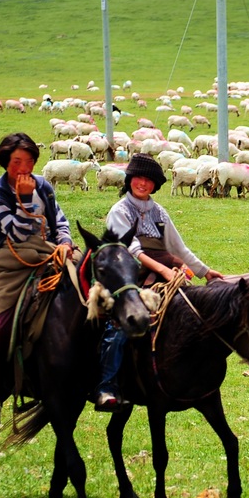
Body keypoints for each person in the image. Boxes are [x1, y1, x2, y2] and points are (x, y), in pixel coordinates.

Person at [95, 152, 224, 411]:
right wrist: (165, 272)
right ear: (129, 179)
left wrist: (205, 272)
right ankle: (106, 385)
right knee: (120, 325)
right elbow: (132, 251)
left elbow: (179, 247)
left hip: (164, 270)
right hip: (126, 277)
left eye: (149, 180)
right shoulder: (119, 211)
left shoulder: (159, 212)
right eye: (138, 178)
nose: (142, 184)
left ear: (155, 184)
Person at [0, 132, 74, 430]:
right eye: (17, 161)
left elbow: (59, 219)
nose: (24, 167)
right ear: (6, 161)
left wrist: (66, 241)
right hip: (11, 259)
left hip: (50, 252)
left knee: (93, 290)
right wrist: (27, 198)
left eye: (29, 160)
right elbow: (16, 232)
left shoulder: (43, 185)